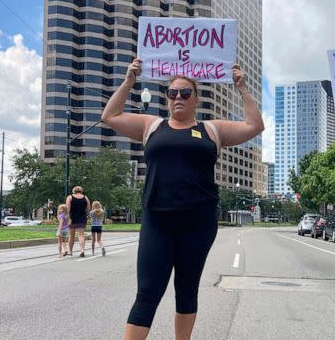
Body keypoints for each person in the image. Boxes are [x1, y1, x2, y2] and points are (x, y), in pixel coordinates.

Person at [101, 58, 264, 340]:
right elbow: (110, 116)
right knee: (148, 291)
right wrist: (129, 82)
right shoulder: (151, 125)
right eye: (173, 93)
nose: (178, 97)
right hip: (157, 219)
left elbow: (254, 125)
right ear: (167, 98)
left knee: (186, 289)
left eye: (185, 93)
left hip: (198, 223)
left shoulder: (212, 129)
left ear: (195, 99)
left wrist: (243, 88)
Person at [66, 186, 90, 257]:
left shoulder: (70, 197)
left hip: (72, 218)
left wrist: (67, 218)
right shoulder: (85, 198)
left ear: (73, 191)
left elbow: (68, 208)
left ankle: (70, 251)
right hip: (82, 218)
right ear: (81, 191)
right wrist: (85, 215)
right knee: (81, 235)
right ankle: (82, 250)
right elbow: (88, 209)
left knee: (71, 236)